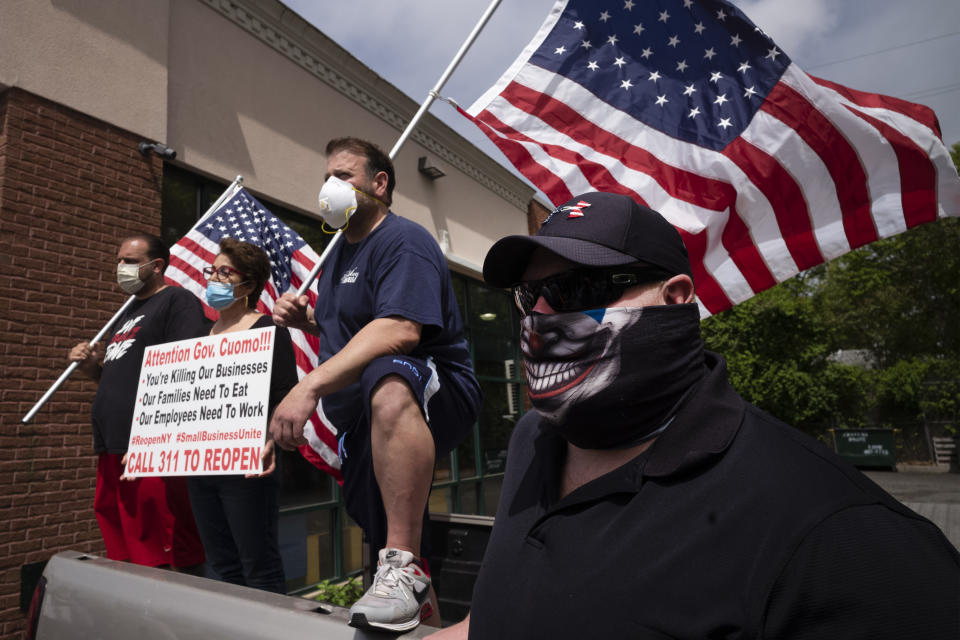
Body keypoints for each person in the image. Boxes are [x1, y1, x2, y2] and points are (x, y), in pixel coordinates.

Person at [428, 192, 960, 639]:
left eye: (572, 290)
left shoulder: (834, 531)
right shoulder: (533, 438)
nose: (540, 316)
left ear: (675, 297)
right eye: (530, 294)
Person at [270, 137, 481, 631]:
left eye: (342, 177)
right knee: (380, 526)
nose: (329, 187)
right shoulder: (338, 252)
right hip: (362, 415)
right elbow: (353, 331)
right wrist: (308, 322)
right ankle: (422, 606)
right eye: (326, 178)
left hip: (431, 384)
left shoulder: (403, 239)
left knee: (388, 379)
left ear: (378, 184)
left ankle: (403, 569)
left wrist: (309, 387)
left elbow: (400, 330)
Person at [68, 233, 206, 572]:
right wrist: (90, 369)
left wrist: (152, 437)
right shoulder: (125, 313)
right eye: (119, 261)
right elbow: (119, 377)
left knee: (160, 547)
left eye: (129, 261)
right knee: (124, 547)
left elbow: (183, 370)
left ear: (156, 266)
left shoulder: (177, 301)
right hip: (112, 444)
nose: (120, 268)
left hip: (148, 447)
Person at [186, 237, 297, 593]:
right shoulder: (202, 335)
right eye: (211, 271)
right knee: (222, 565)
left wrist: (269, 440)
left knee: (258, 566)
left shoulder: (268, 330)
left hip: (248, 465)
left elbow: (284, 396)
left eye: (224, 272)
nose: (213, 279)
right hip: (201, 464)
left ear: (248, 285)